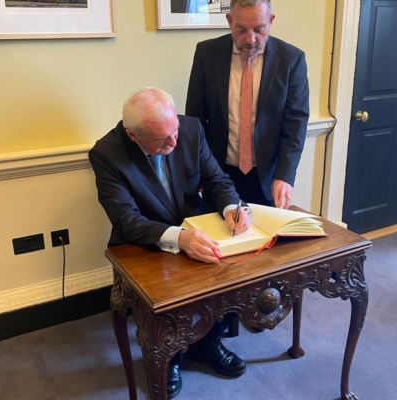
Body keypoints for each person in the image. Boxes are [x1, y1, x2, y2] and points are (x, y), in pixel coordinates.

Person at [89, 87, 250, 399]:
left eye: (174, 132)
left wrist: (232, 207)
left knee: (230, 270)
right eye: (162, 139)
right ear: (132, 135)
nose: (174, 143)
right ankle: (171, 356)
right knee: (166, 294)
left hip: (194, 224)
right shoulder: (107, 154)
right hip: (144, 241)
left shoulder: (189, 128)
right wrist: (180, 239)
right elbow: (126, 220)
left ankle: (208, 343)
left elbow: (216, 179)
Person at [186, 0, 310, 209]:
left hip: (267, 179)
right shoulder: (207, 54)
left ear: (271, 21)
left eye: (259, 29)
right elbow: (195, 121)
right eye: (241, 29)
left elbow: (295, 124)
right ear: (229, 20)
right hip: (217, 175)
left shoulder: (291, 60)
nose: (251, 39)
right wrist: (197, 171)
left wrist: (284, 176)